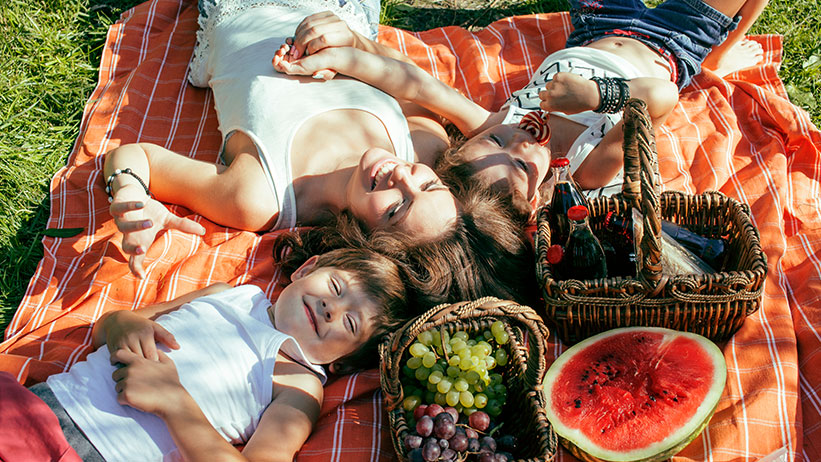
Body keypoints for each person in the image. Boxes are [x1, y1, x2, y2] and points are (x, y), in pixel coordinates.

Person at [103, 0, 539, 307]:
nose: (402, 177)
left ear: (368, 244)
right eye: (427, 184)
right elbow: (409, 81)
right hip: (345, 12)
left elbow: (137, 157)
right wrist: (352, 42)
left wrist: (128, 193)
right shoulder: (425, 148)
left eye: (396, 209)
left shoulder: (258, 197)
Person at [274, 0, 768, 221]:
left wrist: (340, 58)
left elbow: (417, 83)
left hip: (598, 24)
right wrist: (598, 98)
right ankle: (717, 55)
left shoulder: (496, 127)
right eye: (517, 162)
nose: (516, 140)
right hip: (670, 46)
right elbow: (659, 100)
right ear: (537, 196)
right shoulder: (587, 168)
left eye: (493, 144)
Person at [0, 235, 411, 461]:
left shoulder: (299, 386)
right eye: (335, 288)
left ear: (343, 360)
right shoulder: (230, 294)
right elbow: (108, 329)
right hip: (42, 406)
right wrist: (123, 322)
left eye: (350, 322)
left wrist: (175, 403)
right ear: (305, 269)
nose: (330, 308)